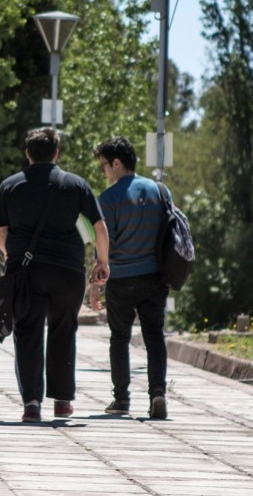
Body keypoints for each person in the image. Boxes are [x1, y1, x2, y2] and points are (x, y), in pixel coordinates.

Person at [0, 127, 109, 423]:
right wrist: (102, 261)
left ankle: (32, 403)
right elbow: (99, 227)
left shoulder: (10, 186)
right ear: (56, 153)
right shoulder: (76, 185)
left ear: (27, 153)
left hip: (26, 272)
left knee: (28, 331)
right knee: (63, 330)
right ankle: (62, 401)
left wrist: (12, 255)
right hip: (68, 271)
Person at [93, 136, 171, 419]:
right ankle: (158, 393)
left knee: (119, 338)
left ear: (117, 163)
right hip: (154, 277)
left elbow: (105, 245)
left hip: (122, 278)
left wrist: (95, 282)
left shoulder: (109, 198)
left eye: (104, 166)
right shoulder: (160, 191)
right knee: (154, 336)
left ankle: (122, 399)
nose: (103, 172)